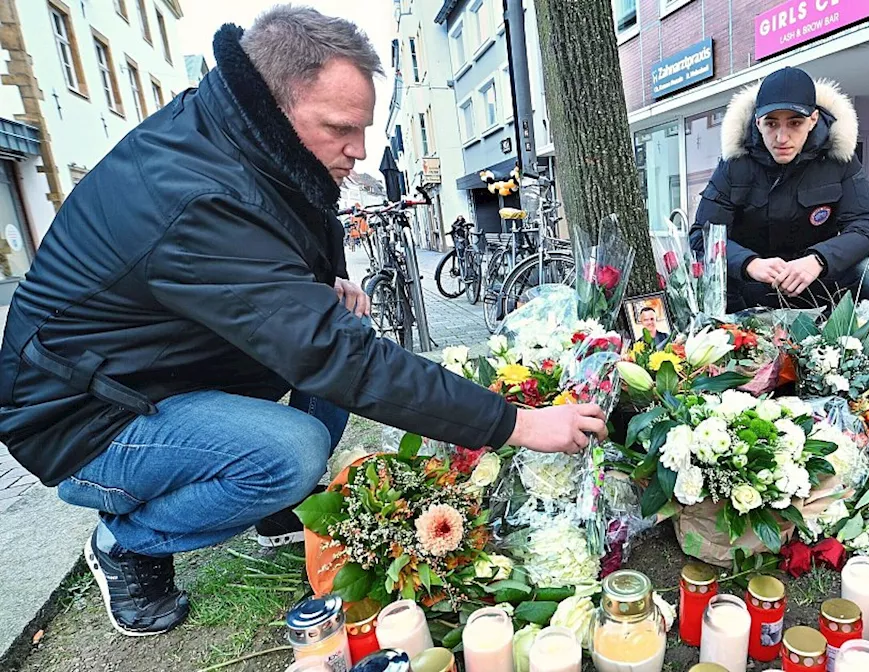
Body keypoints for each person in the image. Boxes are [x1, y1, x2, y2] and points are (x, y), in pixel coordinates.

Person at [0, 7, 605, 636]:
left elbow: (274, 282)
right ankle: (127, 542)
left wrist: (316, 289)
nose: (360, 150)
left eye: (363, 128)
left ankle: (273, 511)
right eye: (342, 128)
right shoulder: (194, 193)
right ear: (276, 103)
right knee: (291, 451)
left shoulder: (246, 143)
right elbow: (331, 355)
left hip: (154, 371)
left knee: (340, 337)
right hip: (81, 415)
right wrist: (516, 424)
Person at [690, 67, 869, 313]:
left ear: (813, 119)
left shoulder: (839, 160)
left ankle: (827, 338)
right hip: (752, 285)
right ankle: (742, 333)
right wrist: (748, 263)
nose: (782, 138)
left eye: (795, 123)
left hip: (811, 281)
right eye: (771, 124)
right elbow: (701, 236)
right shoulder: (735, 163)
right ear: (757, 122)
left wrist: (820, 260)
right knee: (708, 274)